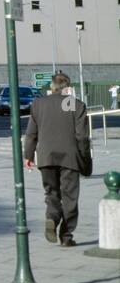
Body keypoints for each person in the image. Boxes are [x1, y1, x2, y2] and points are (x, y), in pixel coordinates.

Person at [24, 72, 91, 247]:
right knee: (70, 197)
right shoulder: (74, 105)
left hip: (46, 157)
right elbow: (82, 137)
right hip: (70, 157)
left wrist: (28, 155)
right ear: (68, 88)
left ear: (51, 87)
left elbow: (31, 133)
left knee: (51, 193)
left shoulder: (39, 104)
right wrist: (85, 158)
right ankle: (66, 235)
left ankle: (52, 218)